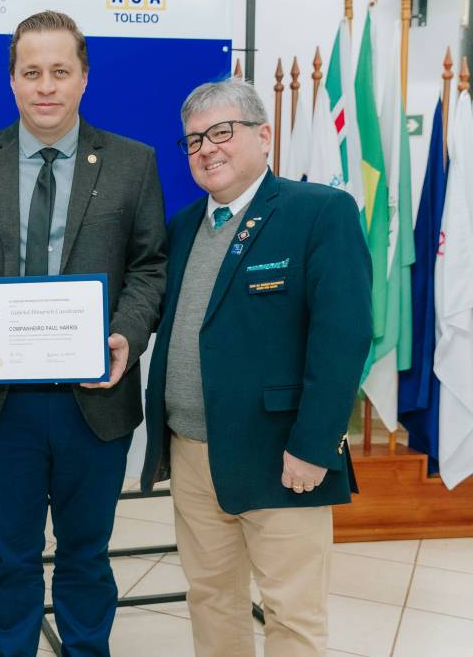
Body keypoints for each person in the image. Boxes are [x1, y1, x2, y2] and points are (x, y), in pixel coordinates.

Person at [0, 10, 167, 655]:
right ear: (11, 79)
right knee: (8, 558)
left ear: (84, 78)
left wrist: (126, 335)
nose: (45, 86)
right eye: (31, 71)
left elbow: (150, 266)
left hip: (93, 399)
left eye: (60, 71)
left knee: (86, 555)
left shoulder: (133, 163)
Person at [141, 78, 373, 656]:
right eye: (194, 140)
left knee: (292, 612)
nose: (207, 149)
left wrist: (314, 446)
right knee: (211, 598)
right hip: (192, 451)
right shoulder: (183, 226)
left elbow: (343, 338)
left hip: (282, 454)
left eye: (222, 132)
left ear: (264, 136)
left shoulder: (319, 212)